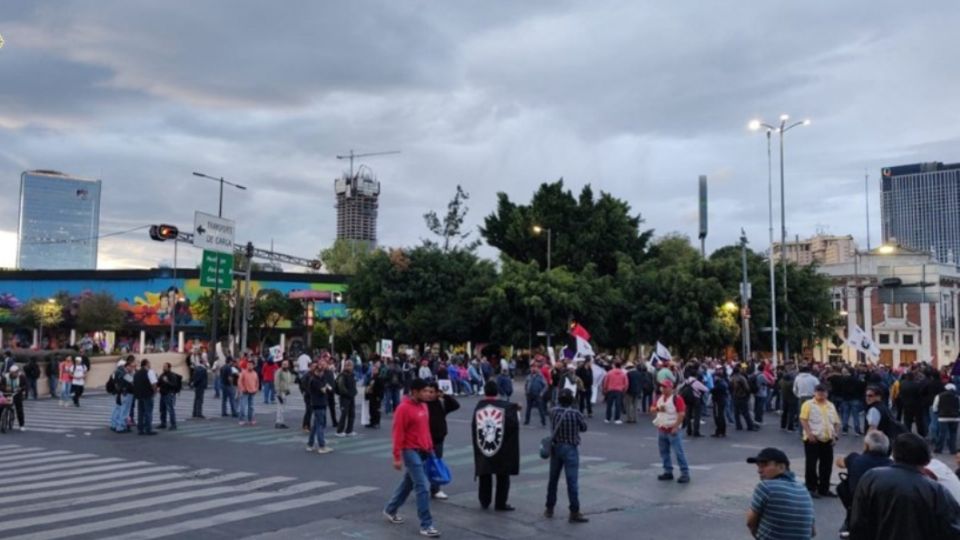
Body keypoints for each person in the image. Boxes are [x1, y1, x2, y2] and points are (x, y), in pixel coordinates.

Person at [849, 432, 960, 540]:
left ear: (894, 454)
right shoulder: (934, 490)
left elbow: (858, 521)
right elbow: (950, 529)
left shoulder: (871, 477)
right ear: (926, 459)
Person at [383, 379, 440, 538]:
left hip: (422, 450)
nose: (427, 394)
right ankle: (426, 524)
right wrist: (396, 457)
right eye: (424, 391)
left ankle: (390, 509)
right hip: (409, 451)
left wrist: (430, 448)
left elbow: (425, 430)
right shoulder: (403, 409)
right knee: (422, 486)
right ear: (414, 392)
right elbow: (397, 433)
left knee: (407, 484)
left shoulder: (423, 406)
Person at [745, 447, 815, 540]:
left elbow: (750, 522)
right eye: (758, 466)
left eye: (764, 465)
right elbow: (812, 531)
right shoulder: (803, 489)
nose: (759, 470)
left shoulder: (766, 487)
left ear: (782, 467)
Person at [472, 380, 519, 511]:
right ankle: (500, 503)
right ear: (497, 392)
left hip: (484, 447)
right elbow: (513, 425)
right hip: (502, 449)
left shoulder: (479, 407)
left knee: (485, 474)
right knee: (503, 476)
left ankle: (484, 501)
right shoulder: (506, 407)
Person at [835, 432, 892, 538]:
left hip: (858, 504)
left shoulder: (855, 459)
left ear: (866, 446)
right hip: (885, 508)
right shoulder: (891, 465)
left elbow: (839, 462)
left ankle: (848, 522)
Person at [544, 388, 589, 523]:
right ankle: (574, 511)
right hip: (570, 448)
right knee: (572, 481)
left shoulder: (553, 412)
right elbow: (584, 428)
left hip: (556, 447)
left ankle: (549, 508)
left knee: (553, 479)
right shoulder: (576, 414)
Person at [799, 383, 840, 498]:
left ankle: (824, 488)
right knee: (811, 465)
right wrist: (809, 433)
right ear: (814, 392)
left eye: (823, 391)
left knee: (827, 465)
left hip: (827, 439)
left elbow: (836, 422)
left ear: (827, 393)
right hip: (813, 439)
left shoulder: (830, 405)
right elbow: (803, 419)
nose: (821, 393)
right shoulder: (808, 404)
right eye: (818, 391)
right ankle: (811, 488)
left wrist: (835, 435)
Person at [426, 380, 460, 500]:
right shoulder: (422, 405)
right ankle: (418, 487)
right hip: (424, 441)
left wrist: (444, 395)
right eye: (427, 391)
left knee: (436, 464)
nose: (429, 394)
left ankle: (435, 489)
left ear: (437, 393)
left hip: (438, 439)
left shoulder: (441, 403)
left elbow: (456, 405)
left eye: (432, 392)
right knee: (421, 465)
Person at [653, 380, 691, 483]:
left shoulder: (677, 399)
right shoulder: (660, 398)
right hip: (662, 428)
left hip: (672, 429)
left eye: (665, 387)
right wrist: (658, 409)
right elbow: (653, 409)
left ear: (671, 388)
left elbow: (681, 414)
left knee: (679, 452)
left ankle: (685, 473)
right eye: (662, 387)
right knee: (664, 452)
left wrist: (675, 426)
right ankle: (668, 471)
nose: (663, 389)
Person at [306, 360, 333, 454]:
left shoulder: (320, 379)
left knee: (315, 425)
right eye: (320, 371)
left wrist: (327, 386)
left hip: (320, 403)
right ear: (316, 371)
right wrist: (326, 387)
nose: (322, 373)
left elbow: (329, 388)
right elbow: (323, 390)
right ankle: (322, 446)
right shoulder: (315, 380)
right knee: (320, 425)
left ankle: (310, 444)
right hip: (318, 404)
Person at [132, 359, 158, 436]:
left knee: (140, 412)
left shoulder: (137, 373)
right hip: (147, 394)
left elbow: (134, 383)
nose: (150, 365)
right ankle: (148, 429)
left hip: (139, 395)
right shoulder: (149, 372)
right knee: (148, 412)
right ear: (146, 364)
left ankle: (140, 429)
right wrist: (155, 392)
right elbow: (153, 383)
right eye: (149, 363)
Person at [110, 357, 135, 432]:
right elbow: (132, 381)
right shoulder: (124, 373)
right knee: (124, 410)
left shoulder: (115, 373)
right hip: (126, 393)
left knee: (117, 409)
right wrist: (132, 373)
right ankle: (121, 426)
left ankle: (114, 424)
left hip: (120, 392)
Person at [934, 383, 960, 454]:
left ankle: (938, 449)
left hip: (942, 417)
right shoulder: (957, 396)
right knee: (953, 433)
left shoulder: (939, 396)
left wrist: (937, 412)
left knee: (942, 433)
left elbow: (935, 407)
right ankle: (953, 449)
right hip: (955, 417)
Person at [335, 359, 358, 436]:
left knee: (352, 414)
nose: (349, 367)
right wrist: (348, 393)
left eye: (350, 365)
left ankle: (349, 430)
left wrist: (354, 392)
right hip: (345, 397)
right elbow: (341, 387)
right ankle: (339, 431)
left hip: (351, 397)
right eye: (347, 365)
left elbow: (354, 385)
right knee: (344, 414)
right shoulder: (343, 375)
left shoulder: (352, 374)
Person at [0, 365, 28, 431]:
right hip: (7, 393)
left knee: (19, 409)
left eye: (15, 373)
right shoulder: (5, 377)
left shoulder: (21, 377)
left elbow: (26, 385)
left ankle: (21, 425)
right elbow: (1, 385)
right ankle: (2, 420)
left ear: (17, 372)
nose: (13, 374)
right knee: (2, 406)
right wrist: (5, 388)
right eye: (12, 373)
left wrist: (21, 389)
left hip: (17, 394)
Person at [157, 362, 182, 430]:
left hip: (169, 394)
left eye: (165, 367)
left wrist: (167, 381)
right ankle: (163, 423)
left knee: (170, 409)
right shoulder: (162, 375)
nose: (164, 368)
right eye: (163, 366)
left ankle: (173, 425)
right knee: (162, 409)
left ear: (169, 368)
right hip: (163, 394)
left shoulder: (172, 375)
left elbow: (174, 385)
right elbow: (158, 383)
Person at [237, 361, 259, 426]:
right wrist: (242, 389)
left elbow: (257, 382)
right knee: (243, 407)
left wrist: (256, 389)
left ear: (253, 366)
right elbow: (239, 382)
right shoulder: (243, 373)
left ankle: (251, 419)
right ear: (247, 366)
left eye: (251, 365)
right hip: (245, 392)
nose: (249, 366)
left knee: (251, 407)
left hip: (252, 392)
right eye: (248, 365)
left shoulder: (255, 373)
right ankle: (241, 419)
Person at [275, 359, 295, 429]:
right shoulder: (279, 371)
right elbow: (276, 382)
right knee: (280, 408)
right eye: (283, 364)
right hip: (280, 392)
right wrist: (278, 393)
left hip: (285, 392)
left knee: (283, 408)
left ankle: (282, 422)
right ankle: (278, 422)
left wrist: (288, 390)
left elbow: (288, 382)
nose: (285, 365)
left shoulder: (288, 372)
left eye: (286, 364)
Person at [365, 360, 384, 429]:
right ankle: (372, 422)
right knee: (371, 409)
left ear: (378, 370)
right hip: (371, 396)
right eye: (372, 369)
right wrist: (366, 395)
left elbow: (381, 388)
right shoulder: (371, 378)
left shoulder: (379, 378)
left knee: (377, 410)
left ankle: (377, 423)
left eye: (375, 369)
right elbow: (368, 386)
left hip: (377, 396)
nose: (373, 371)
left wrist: (380, 396)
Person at [711, 370, 730, 438]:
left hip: (718, 401)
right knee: (721, 416)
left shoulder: (719, 384)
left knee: (718, 417)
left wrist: (712, 390)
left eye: (715, 376)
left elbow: (713, 390)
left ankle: (719, 431)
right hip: (722, 400)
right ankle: (722, 431)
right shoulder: (724, 382)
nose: (714, 378)